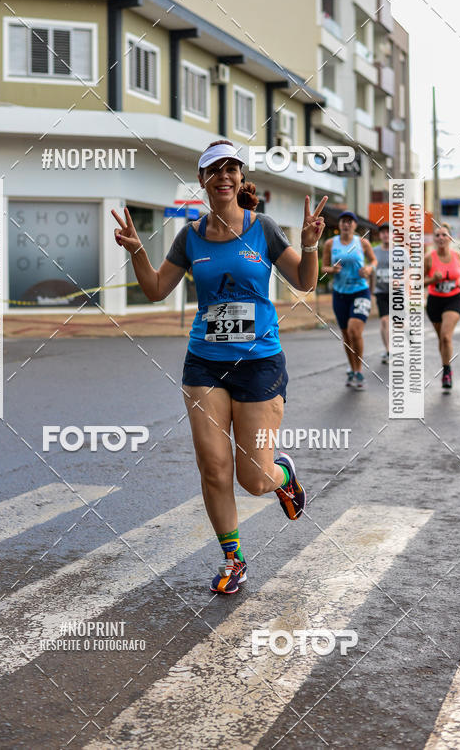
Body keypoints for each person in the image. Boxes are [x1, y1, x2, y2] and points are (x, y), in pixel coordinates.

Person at [112, 139, 327, 594]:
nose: (225, 176)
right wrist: (136, 250)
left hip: (259, 363)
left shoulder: (263, 229)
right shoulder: (190, 236)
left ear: (239, 177)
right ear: (203, 180)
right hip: (204, 364)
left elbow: (306, 283)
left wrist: (310, 246)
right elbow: (154, 289)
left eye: (232, 169)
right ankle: (234, 561)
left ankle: (283, 475)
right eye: (216, 170)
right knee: (213, 467)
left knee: (254, 479)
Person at [321, 212, 377, 389]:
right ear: (340, 224)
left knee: (355, 331)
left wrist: (369, 269)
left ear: (354, 225)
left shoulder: (362, 243)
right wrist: (332, 269)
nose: (346, 225)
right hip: (340, 294)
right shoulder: (331, 244)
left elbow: (374, 261)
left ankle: (359, 370)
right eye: (343, 221)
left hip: (360, 291)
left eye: (349, 222)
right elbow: (323, 266)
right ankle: (352, 368)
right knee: (346, 335)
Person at [424, 223, 460, 390]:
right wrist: (432, 280)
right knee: (441, 339)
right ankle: (445, 365)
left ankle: (447, 371)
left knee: (446, 336)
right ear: (434, 240)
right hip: (435, 302)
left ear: (450, 238)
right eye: (437, 235)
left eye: (444, 235)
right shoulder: (429, 258)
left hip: (454, 299)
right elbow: (416, 282)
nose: (441, 238)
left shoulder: (458, 257)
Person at [372, 222, 391, 364]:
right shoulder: (374, 251)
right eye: (383, 232)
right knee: (384, 320)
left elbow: (408, 271)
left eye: (388, 232)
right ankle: (388, 350)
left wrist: (401, 279)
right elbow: (370, 270)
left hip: (397, 292)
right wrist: (371, 288)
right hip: (381, 291)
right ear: (380, 235)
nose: (386, 234)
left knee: (399, 323)